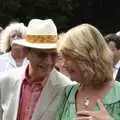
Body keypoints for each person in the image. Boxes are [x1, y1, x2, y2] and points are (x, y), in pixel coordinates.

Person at [0, 18, 75, 120]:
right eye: (42, 55)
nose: (48, 62)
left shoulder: (68, 89)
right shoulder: (5, 81)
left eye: (54, 55)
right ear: (27, 52)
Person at [56, 24, 120, 120]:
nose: (63, 64)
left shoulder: (118, 94)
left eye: (68, 57)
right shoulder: (67, 94)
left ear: (86, 57)